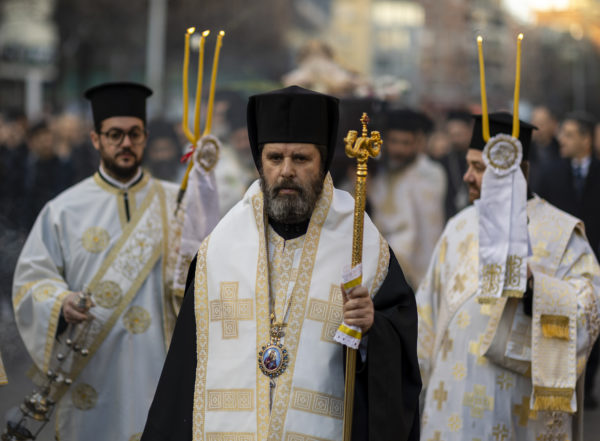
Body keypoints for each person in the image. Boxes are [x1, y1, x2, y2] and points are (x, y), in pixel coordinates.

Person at [141, 86, 421, 441]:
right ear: (260, 163)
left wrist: (371, 331)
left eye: (301, 159)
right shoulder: (220, 249)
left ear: (322, 163)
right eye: (275, 158)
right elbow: (184, 376)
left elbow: (399, 369)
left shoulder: (363, 247)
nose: (286, 171)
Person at [12, 82, 189, 440]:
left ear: (145, 138)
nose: (125, 143)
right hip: (93, 370)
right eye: (114, 135)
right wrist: (60, 302)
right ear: (96, 139)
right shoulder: (64, 209)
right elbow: (32, 280)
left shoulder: (179, 204)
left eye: (134, 134)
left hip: (159, 364)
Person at [417, 112, 600, 440]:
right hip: (450, 400)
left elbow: (590, 306)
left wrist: (535, 288)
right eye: (469, 165)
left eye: (479, 168)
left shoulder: (561, 233)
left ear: (518, 171)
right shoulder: (458, 226)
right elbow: (425, 313)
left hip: (516, 405)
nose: (467, 177)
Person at [536, 111, 600, 408]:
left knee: (593, 323)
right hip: (560, 264)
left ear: (586, 140)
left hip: (596, 262)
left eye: (570, 134)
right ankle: (564, 383)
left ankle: (587, 386)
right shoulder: (550, 173)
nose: (561, 139)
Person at [369, 108, 446, 289]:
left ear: (417, 143)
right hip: (377, 259)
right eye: (393, 141)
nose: (398, 149)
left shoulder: (429, 174)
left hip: (414, 268)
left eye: (405, 143)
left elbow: (425, 230)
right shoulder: (378, 171)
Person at [439, 109, 473, 220]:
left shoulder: (479, 161)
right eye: (451, 135)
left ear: (470, 131)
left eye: (459, 134)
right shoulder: (442, 163)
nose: (455, 140)